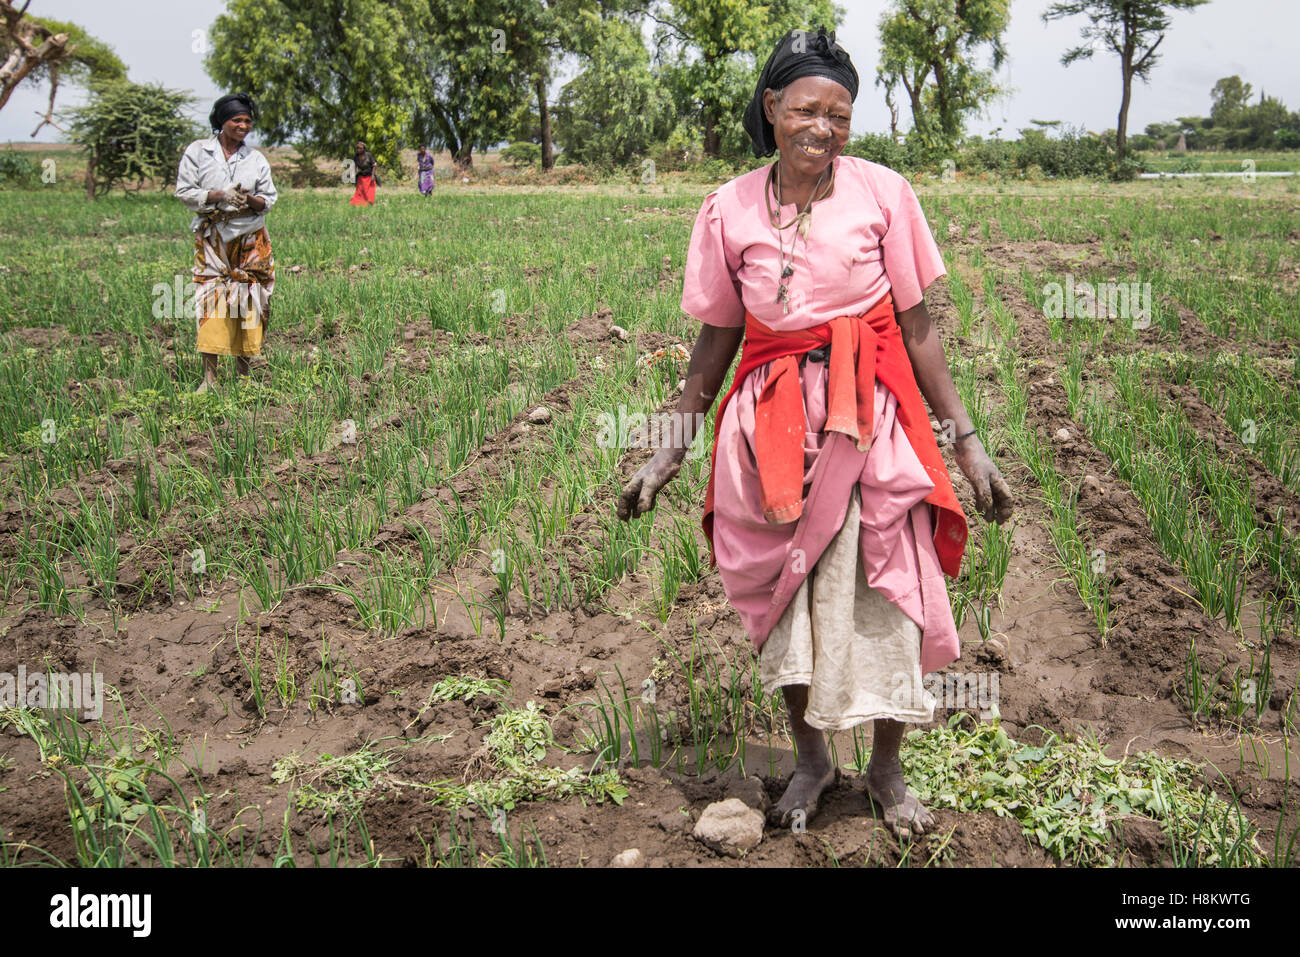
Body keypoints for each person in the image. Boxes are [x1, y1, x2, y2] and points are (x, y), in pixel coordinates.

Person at [617, 27, 1015, 839]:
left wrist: (967, 443)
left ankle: (887, 766)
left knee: (891, 585)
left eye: (839, 115)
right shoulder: (728, 207)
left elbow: (919, 327)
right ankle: (810, 758)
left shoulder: (884, 194)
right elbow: (715, 343)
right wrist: (666, 449)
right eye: (806, 110)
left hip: (871, 421)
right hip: (771, 436)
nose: (822, 129)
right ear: (771, 109)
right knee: (786, 596)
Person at [174, 92, 277, 393]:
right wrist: (217, 196)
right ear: (221, 122)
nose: (243, 126)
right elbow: (184, 191)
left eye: (247, 121)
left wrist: (248, 199)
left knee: (249, 301)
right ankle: (210, 379)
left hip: (250, 239)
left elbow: (268, 199)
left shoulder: (255, 158)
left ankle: (245, 377)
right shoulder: (198, 152)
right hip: (213, 239)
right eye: (237, 120)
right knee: (211, 302)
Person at [351, 141, 377, 205]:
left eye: (360, 148)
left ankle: (369, 203)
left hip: (369, 176)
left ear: (364, 149)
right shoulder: (356, 157)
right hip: (361, 177)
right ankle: (360, 203)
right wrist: (353, 176)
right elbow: (355, 166)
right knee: (360, 192)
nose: (358, 149)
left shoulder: (368, 155)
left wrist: (373, 175)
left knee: (369, 192)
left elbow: (374, 165)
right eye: (357, 148)